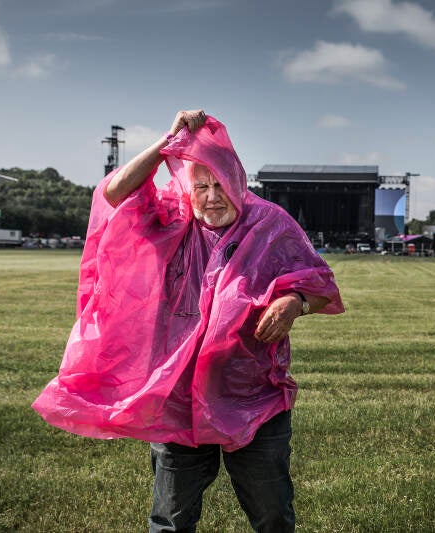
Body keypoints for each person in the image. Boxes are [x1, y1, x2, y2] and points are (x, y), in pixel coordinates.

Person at [33, 110, 343, 532]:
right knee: (171, 520)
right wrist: (170, 142)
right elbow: (114, 193)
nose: (212, 197)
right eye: (201, 186)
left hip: (252, 395)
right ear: (187, 187)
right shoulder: (170, 218)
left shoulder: (270, 225)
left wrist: (295, 301)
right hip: (178, 396)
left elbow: (320, 282)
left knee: (272, 514)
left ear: (238, 182)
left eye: (220, 185)